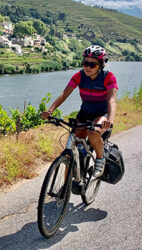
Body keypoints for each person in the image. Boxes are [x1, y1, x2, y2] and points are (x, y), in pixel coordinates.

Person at [41, 45, 118, 178]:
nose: (87, 67)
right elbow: (64, 94)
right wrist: (50, 110)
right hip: (85, 112)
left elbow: (112, 100)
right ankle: (66, 187)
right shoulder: (79, 76)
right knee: (71, 150)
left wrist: (110, 120)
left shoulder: (109, 78)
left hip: (102, 114)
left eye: (92, 64)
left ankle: (100, 159)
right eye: (85, 63)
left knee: (93, 133)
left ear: (100, 65)